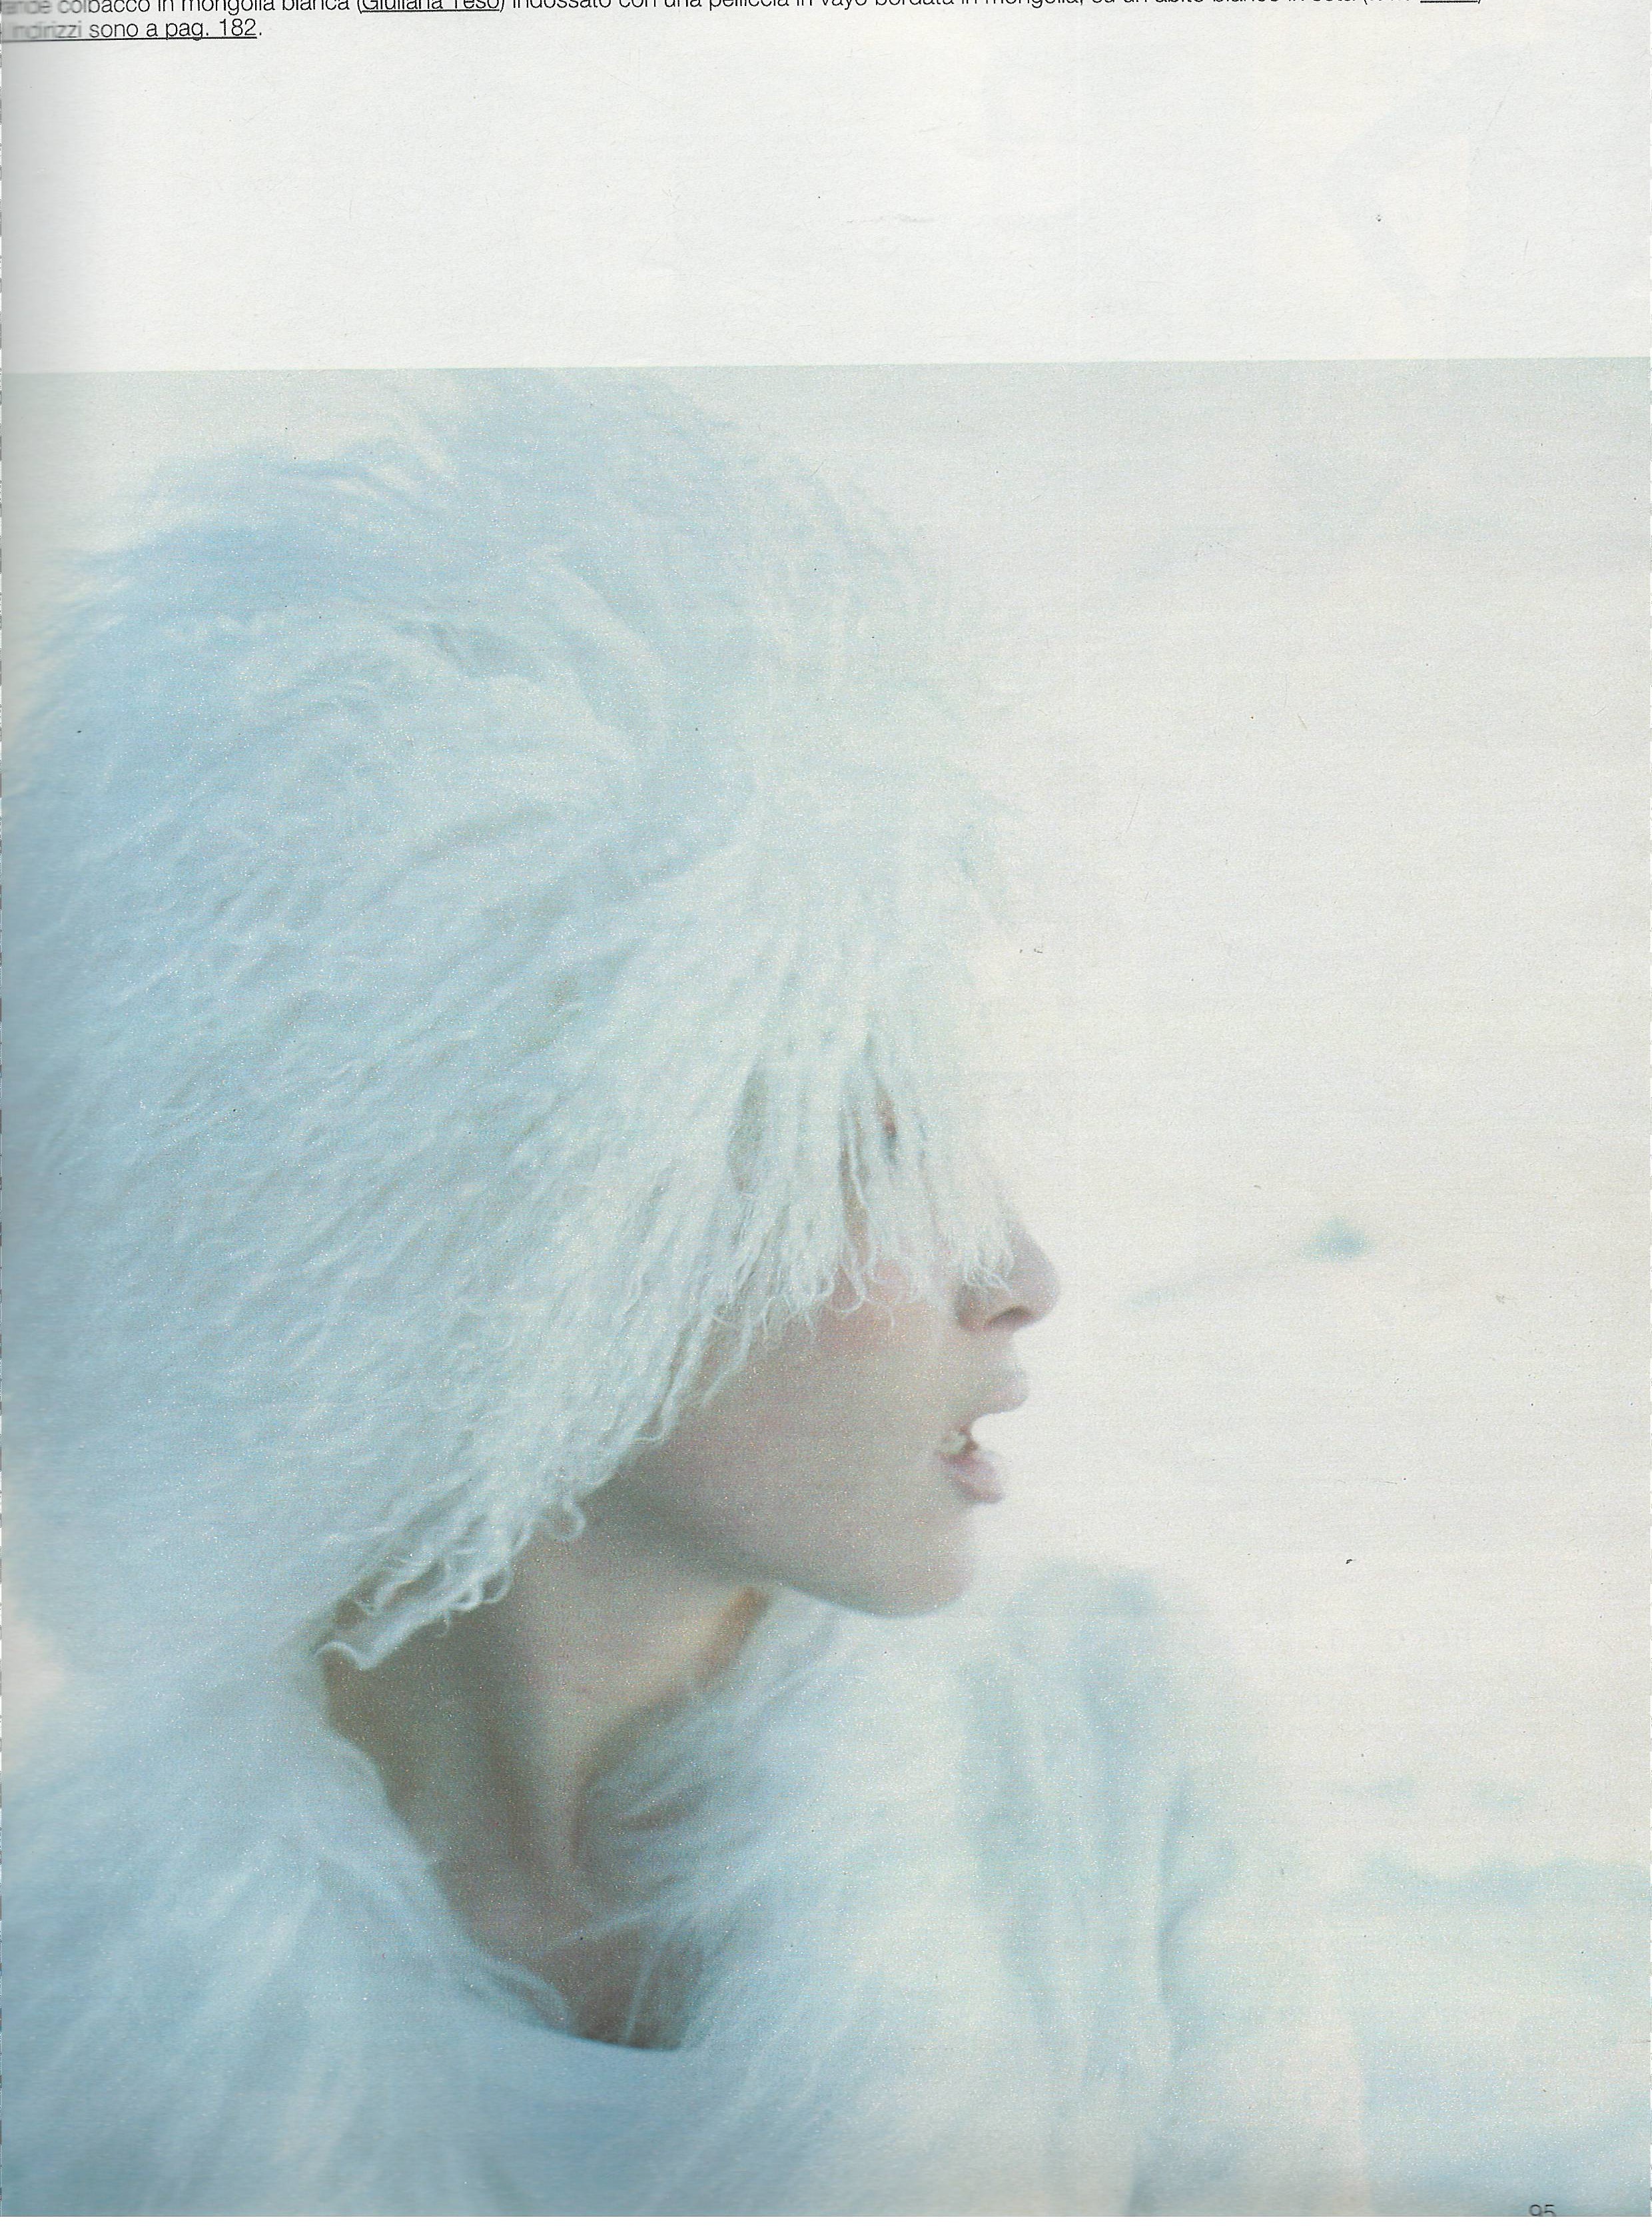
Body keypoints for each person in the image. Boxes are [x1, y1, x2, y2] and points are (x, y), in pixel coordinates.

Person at [8, 375, 1368, 2215]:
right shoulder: (69, 1970)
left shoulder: (1111, 1773)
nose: (1019, 1276)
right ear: (528, 1225)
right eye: (881, 1153)